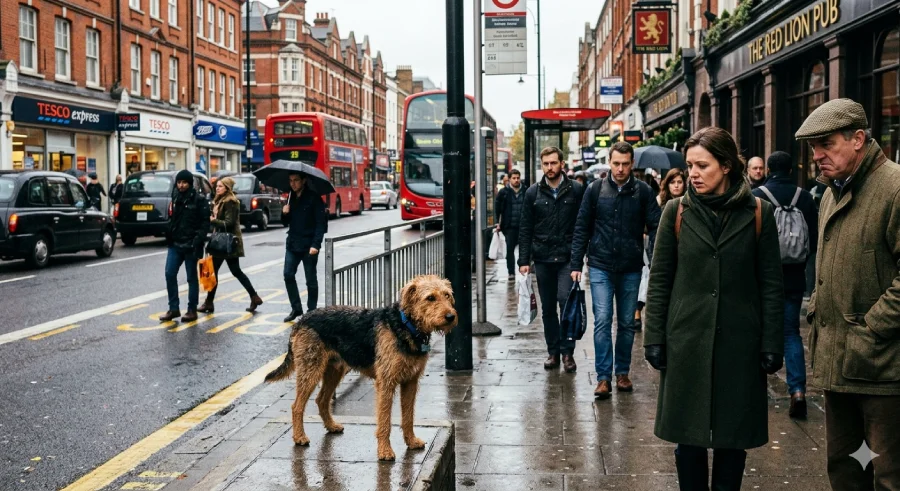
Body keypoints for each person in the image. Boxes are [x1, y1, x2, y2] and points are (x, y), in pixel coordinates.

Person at [644, 126, 784, 491]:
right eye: (690, 165)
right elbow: (660, 280)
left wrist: (772, 342)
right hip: (687, 340)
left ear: (726, 166)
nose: (692, 173)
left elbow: (771, 285)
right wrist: (654, 337)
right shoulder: (675, 211)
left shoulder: (759, 213)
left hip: (739, 343)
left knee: (732, 440)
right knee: (687, 440)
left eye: (702, 166)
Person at [796, 99, 900, 489]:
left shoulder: (894, 187)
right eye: (813, 147)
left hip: (883, 368)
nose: (817, 156)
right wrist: (818, 313)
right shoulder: (830, 193)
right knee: (845, 470)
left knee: (888, 475)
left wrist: (872, 328)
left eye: (826, 144)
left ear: (858, 139)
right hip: (839, 364)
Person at [570, 141, 661, 398]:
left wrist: (655, 257)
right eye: (616, 163)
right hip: (600, 265)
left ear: (632, 164)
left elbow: (657, 225)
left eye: (625, 164)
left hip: (630, 266)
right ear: (609, 162)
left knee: (627, 323)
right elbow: (582, 226)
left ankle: (622, 373)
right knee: (602, 320)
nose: (620, 169)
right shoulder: (595, 189)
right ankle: (603, 378)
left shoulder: (643, 191)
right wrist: (576, 264)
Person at [752, 151, 818, 419]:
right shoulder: (805, 197)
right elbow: (813, 239)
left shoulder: (757, 196)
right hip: (794, 277)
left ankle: (754, 390)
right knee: (791, 333)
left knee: (756, 331)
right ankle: (798, 391)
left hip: (762, 278)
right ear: (791, 170)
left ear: (768, 169)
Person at [518, 146, 585, 373]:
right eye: (545, 164)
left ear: (562, 164)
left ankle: (568, 352)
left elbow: (582, 226)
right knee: (548, 308)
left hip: (567, 258)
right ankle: (553, 351)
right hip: (543, 258)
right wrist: (523, 260)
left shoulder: (576, 190)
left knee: (566, 302)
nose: (549, 167)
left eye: (553, 163)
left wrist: (578, 261)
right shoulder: (533, 193)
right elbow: (525, 228)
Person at [197, 177, 264, 314]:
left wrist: (213, 221)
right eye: (217, 186)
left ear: (227, 188)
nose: (217, 188)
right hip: (221, 241)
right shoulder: (220, 200)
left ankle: (209, 302)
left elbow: (229, 223)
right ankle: (254, 297)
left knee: (218, 271)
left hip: (227, 242)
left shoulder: (230, 201)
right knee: (230, 271)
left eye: (221, 186)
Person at [636, 168, 687, 324]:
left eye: (679, 182)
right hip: (661, 251)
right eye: (673, 182)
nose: (676, 186)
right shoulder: (658, 203)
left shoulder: (690, 203)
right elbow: (650, 229)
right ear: (667, 185)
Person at [160, 170, 210, 322]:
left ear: (190, 183)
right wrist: (169, 232)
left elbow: (205, 223)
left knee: (191, 278)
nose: (181, 185)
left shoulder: (199, 200)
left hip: (191, 245)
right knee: (169, 273)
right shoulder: (175, 197)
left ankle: (191, 310)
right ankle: (173, 309)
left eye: (184, 182)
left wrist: (197, 240)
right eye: (179, 182)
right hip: (175, 243)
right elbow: (173, 218)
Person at [282, 172, 327, 323]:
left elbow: (321, 224)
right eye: (290, 180)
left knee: (310, 280)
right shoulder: (290, 198)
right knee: (288, 274)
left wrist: (316, 244)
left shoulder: (314, 198)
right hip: (293, 244)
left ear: (304, 180)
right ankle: (296, 308)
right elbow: (285, 222)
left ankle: (311, 311)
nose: (293, 183)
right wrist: (284, 213)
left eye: (296, 180)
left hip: (309, 245)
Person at [495, 169, 525, 281]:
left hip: (523, 226)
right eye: (514, 178)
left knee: (524, 249)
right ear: (509, 179)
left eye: (518, 178)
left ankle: (523, 269)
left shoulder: (525, 190)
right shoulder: (503, 192)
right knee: (510, 250)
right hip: (509, 226)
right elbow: (497, 208)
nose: (516, 180)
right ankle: (511, 272)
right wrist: (498, 223)